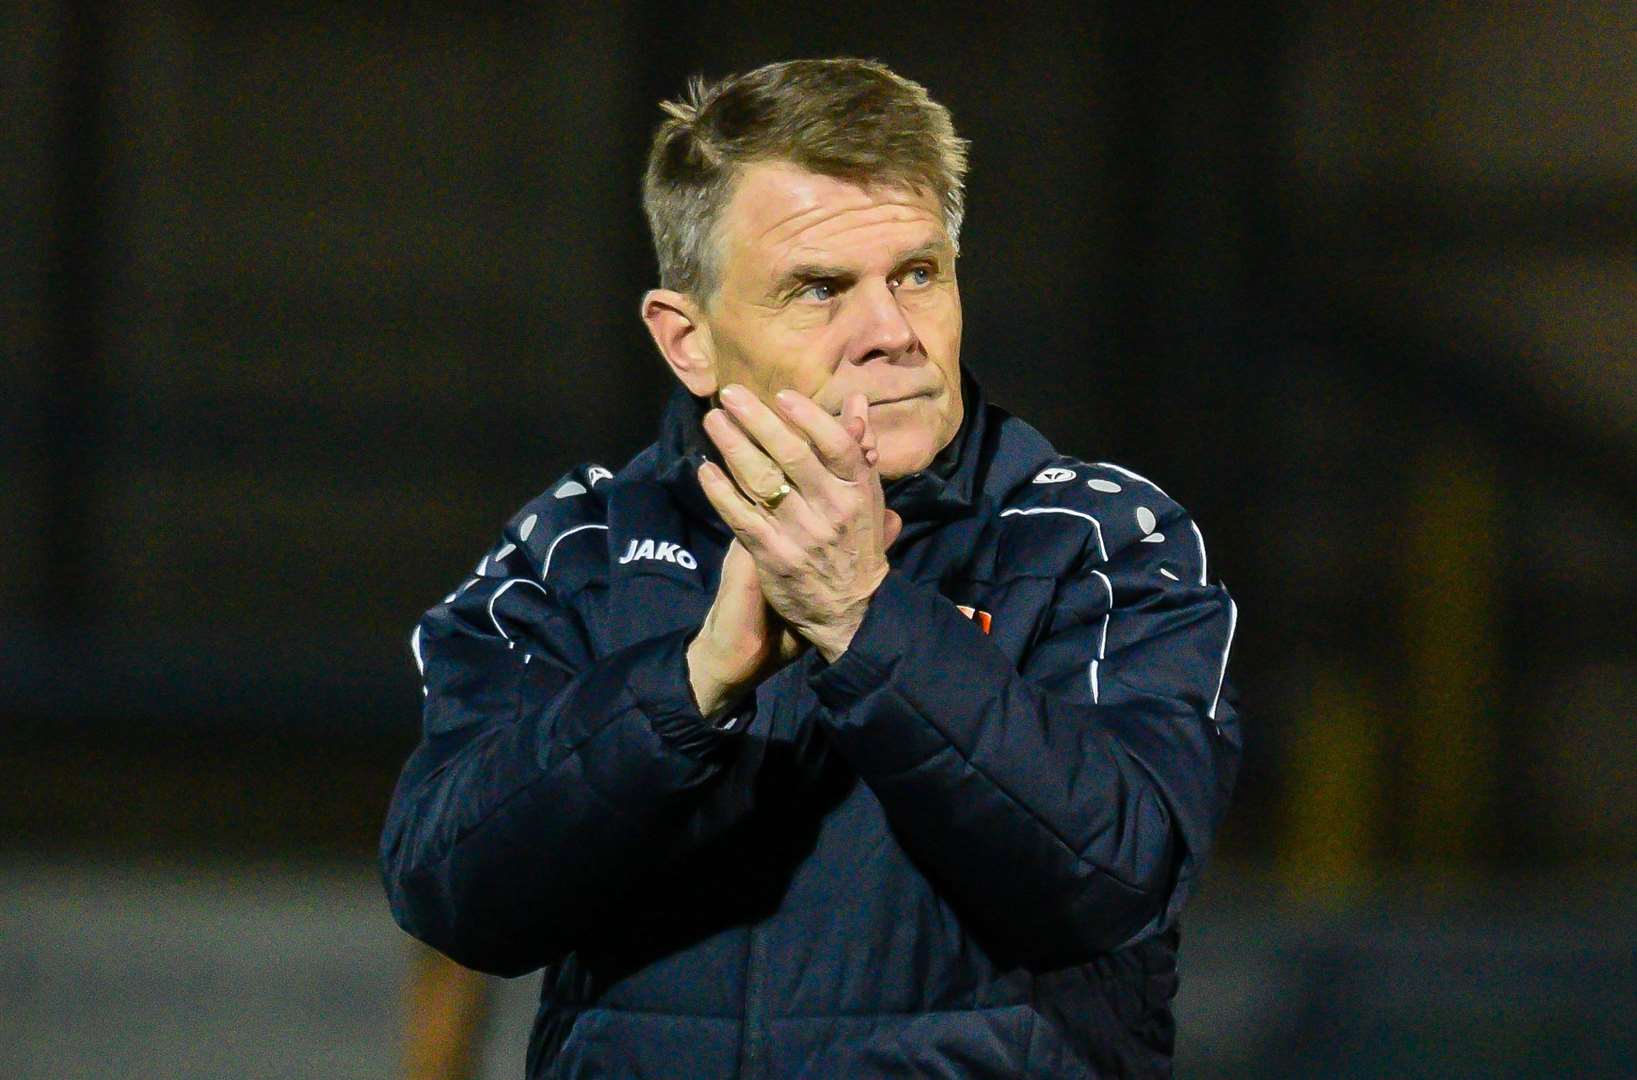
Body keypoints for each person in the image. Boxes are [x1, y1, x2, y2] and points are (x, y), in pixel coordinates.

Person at [380, 57, 1241, 1078]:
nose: (892, 335)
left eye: (918, 273)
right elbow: (452, 891)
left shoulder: (1093, 542)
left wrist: (865, 623)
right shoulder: (578, 551)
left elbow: (1112, 878)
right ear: (687, 341)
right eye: (819, 289)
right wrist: (687, 689)